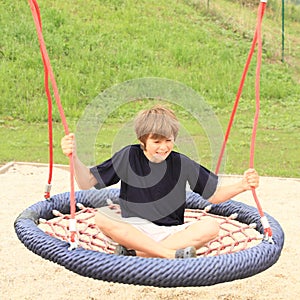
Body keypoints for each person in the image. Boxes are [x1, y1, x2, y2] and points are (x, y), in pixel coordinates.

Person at [61, 105, 259, 259]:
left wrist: (242, 185)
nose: (164, 147)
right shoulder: (129, 156)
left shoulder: (182, 163)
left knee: (211, 226)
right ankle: (168, 255)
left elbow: (214, 196)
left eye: (168, 140)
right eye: (157, 142)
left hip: (172, 233)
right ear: (143, 141)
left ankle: (139, 255)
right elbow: (86, 182)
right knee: (102, 217)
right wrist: (74, 157)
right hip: (134, 230)